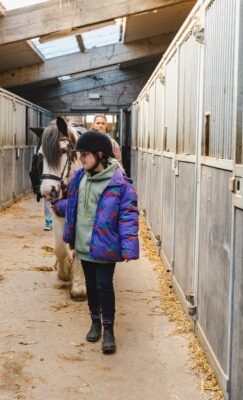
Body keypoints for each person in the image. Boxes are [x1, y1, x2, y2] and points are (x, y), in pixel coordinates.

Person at [52, 131, 139, 354]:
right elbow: (73, 203)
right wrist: (58, 206)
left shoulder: (119, 184)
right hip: (82, 245)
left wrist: (129, 246)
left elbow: (128, 215)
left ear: (100, 155)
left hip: (105, 246)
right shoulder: (80, 177)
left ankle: (109, 329)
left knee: (104, 286)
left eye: (85, 155)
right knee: (91, 286)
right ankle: (95, 322)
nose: (81, 159)